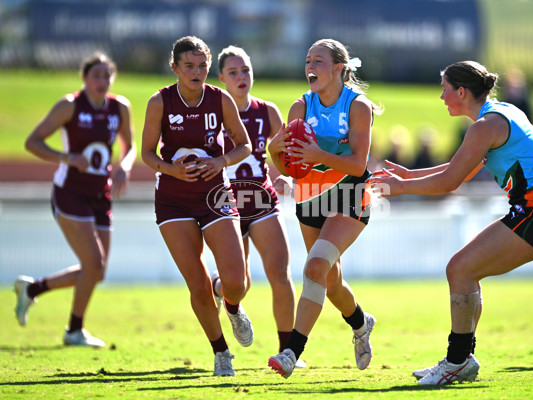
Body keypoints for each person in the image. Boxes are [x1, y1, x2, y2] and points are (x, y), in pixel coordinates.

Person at [371, 60, 533, 385]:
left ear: (461, 92)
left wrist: (401, 186)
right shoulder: (497, 113)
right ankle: (461, 359)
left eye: (444, 90)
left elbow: (450, 181)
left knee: (460, 269)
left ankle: (456, 361)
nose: (441, 97)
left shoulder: (485, 126)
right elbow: (456, 168)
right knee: (466, 270)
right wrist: (409, 175)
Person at [266, 38, 383, 379]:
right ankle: (361, 324)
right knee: (330, 283)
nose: (310, 67)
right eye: (307, 61)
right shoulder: (299, 108)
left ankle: (291, 351)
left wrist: (320, 155)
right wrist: (274, 153)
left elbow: (359, 164)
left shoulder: (357, 106)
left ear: (338, 69)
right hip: (310, 197)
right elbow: (291, 168)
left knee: (314, 267)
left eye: (318, 61)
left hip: (349, 197)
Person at [140, 36, 253, 376]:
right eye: (188, 66)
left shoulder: (220, 99)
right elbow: (146, 153)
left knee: (237, 281)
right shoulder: (160, 102)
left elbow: (244, 144)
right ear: (174, 67)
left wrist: (221, 161)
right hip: (173, 201)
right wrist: (171, 169)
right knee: (198, 285)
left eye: (202, 65)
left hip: (215, 197)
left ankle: (231, 304)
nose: (197, 72)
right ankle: (221, 352)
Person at [15, 52, 136, 347]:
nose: (102, 81)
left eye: (107, 76)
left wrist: (125, 166)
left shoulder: (120, 107)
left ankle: (32, 290)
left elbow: (129, 146)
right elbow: (32, 142)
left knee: (98, 270)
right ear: (84, 78)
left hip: (100, 194)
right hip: (70, 192)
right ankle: (74, 330)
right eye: (96, 75)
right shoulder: (69, 105)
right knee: (93, 263)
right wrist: (67, 157)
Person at [214, 45, 302, 363]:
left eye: (246, 70)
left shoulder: (267, 111)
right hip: (225, 204)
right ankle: (229, 302)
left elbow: (286, 157)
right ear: (221, 77)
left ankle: (288, 349)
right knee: (240, 283)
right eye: (234, 72)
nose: (241, 77)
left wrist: (288, 176)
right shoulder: (212, 113)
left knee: (280, 272)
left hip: (263, 200)